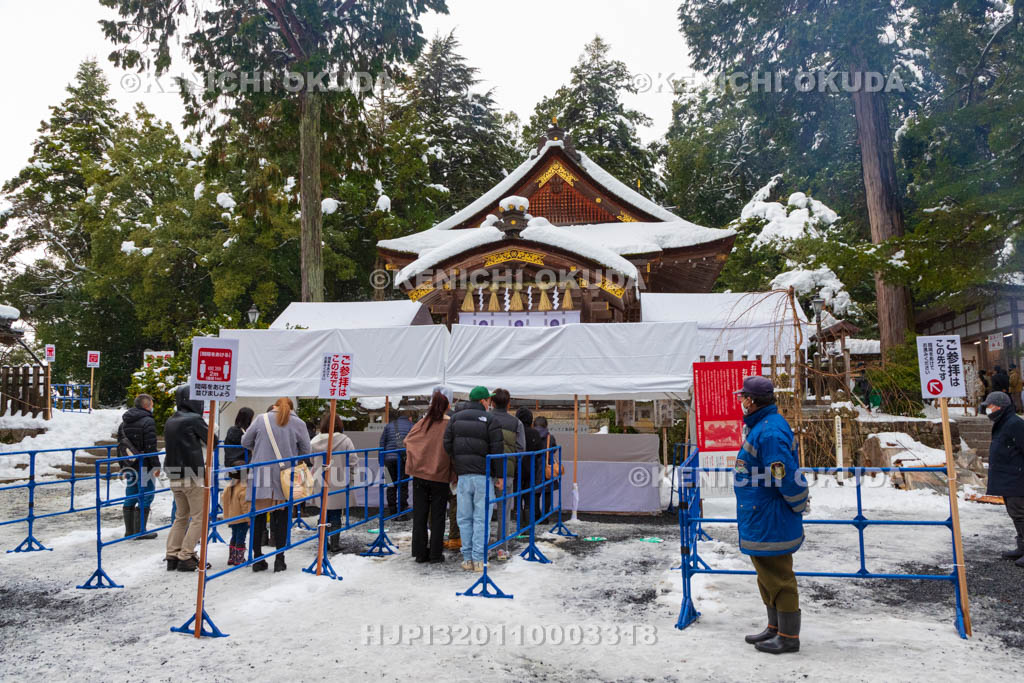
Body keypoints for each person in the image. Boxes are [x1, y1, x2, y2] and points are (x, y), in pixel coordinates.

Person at [733, 376, 809, 655]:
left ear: (752, 401)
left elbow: (783, 473)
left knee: (778, 575)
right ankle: (775, 627)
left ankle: (789, 635)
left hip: (771, 514)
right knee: (766, 574)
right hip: (760, 513)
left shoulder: (770, 432)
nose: (741, 402)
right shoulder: (762, 427)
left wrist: (799, 502)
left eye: (743, 397)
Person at [241, 397, 312, 573]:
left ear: (275, 406)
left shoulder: (261, 419)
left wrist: (260, 450)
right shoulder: (299, 423)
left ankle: (257, 558)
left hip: (261, 474)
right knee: (282, 519)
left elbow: (245, 442)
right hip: (285, 476)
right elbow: (306, 451)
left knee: (257, 517)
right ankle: (279, 559)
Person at [444, 385, 504, 572]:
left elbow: (447, 444)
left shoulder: (455, 419)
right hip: (483, 477)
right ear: (483, 401)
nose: (490, 404)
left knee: (464, 518)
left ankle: (467, 558)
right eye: (489, 400)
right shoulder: (490, 419)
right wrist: (499, 475)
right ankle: (479, 559)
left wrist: (459, 460)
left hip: (463, 476)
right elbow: (497, 450)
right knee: (481, 519)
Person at [163, 386, 211, 572]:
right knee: (200, 517)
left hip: (173, 472)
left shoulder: (170, 420)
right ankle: (187, 555)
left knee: (181, 516)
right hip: (192, 473)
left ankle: (172, 554)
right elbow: (212, 440)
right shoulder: (194, 419)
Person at [405, 386, 455, 564]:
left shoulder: (422, 422)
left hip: (420, 476)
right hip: (440, 476)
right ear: (448, 404)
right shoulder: (449, 424)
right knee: (438, 516)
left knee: (420, 515)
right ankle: (435, 554)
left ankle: (420, 553)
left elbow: (408, 441)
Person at [980, 392, 1024, 568]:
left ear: (1001, 407)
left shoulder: (1014, 424)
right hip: (1008, 477)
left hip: (1017, 478)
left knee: (1021, 514)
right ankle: (1021, 547)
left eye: (991, 406)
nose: (988, 409)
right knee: (1015, 514)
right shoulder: (1003, 423)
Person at [310, 411, 355, 554]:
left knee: (323, 512)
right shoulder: (345, 440)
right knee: (335, 512)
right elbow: (353, 460)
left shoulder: (314, 441)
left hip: (319, 479)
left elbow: (311, 460)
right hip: (338, 480)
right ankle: (335, 543)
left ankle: (322, 542)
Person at [489, 389, 525, 560]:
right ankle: (502, 548)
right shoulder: (516, 422)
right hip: (507, 470)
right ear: (508, 403)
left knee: (484, 510)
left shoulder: (486, 418)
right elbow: (521, 448)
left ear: (492, 402)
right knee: (504, 510)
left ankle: (485, 546)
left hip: (487, 470)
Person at [117, 394, 160, 540]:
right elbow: (150, 446)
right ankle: (140, 530)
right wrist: (156, 465)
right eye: (152, 403)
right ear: (147, 405)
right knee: (146, 495)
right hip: (144, 465)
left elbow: (120, 446)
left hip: (130, 465)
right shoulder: (148, 421)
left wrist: (123, 465)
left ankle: (130, 531)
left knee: (131, 494)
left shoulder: (124, 422)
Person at [221, 407, 254, 566]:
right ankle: (239, 557)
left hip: (232, 474)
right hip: (243, 472)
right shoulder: (244, 435)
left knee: (235, 527)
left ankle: (232, 556)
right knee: (242, 528)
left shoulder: (230, 432)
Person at [379, 408, 413, 517]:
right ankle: (402, 511)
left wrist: (381, 460)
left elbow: (382, 442)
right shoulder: (411, 426)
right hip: (403, 460)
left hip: (388, 459)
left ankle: (392, 510)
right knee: (403, 485)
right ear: (410, 417)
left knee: (390, 485)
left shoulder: (389, 425)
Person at [516, 407, 544, 528]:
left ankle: (519, 521)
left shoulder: (516, 431)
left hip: (517, 468)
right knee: (528, 498)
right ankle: (527, 525)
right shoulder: (535, 433)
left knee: (517, 497)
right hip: (530, 469)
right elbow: (539, 452)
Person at [535, 416, 559, 515]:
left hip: (535, 467)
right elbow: (554, 449)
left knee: (535, 493)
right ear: (546, 425)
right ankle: (545, 515)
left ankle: (536, 514)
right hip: (547, 467)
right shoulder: (550, 437)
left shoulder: (532, 435)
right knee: (547, 492)